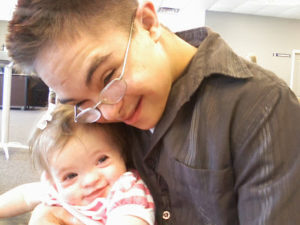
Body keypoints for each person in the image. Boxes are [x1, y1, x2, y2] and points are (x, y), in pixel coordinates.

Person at [6, 0, 300, 224]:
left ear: (148, 23)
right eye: (81, 104)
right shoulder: (101, 120)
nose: (109, 111)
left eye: (108, 77)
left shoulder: (262, 107)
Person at [0, 105, 155, 225]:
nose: (90, 180)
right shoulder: (60, 190)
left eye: (102, 160)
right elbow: (25, 195)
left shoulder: (126, 190)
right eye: (71, 175)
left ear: (121, 153)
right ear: (52, 181)